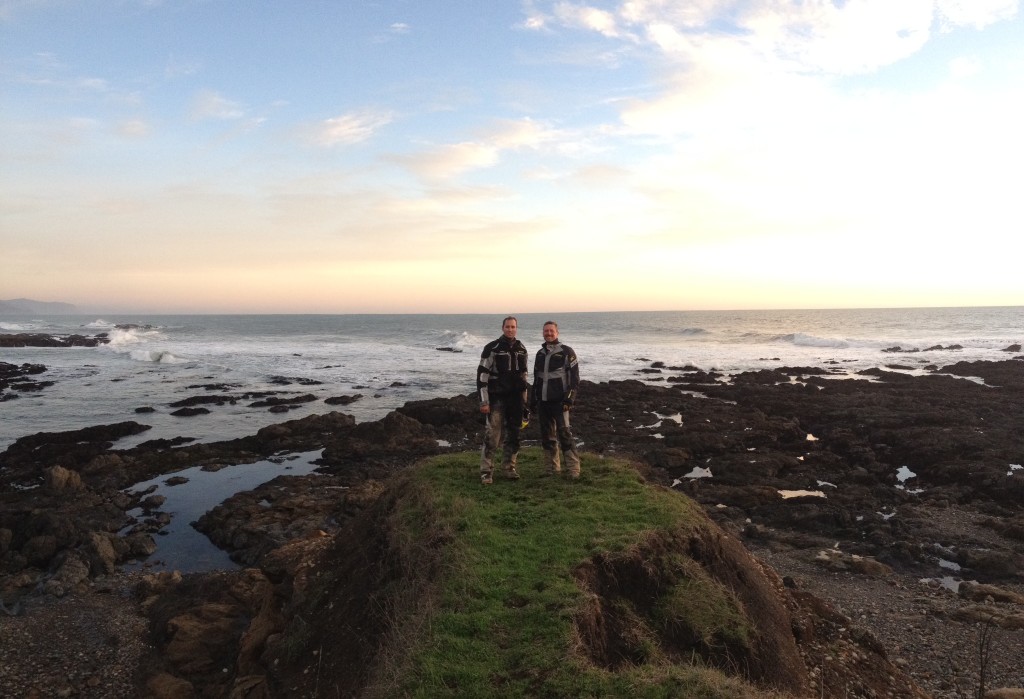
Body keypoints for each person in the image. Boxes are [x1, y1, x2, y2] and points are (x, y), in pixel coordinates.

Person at [477, 316, 530, 484]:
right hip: (496, 398)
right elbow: (481, 376)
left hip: (515, 399)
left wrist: (525, 402)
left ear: (517, 328)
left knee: (514, 435)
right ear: (502, 328)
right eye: (507, 327)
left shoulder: (522, 349)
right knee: (492, 435)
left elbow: (524, 376)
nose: (510, 329)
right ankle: (486, 471)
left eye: (513, 327)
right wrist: (484, 402)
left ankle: (509, 467)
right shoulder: (492, 348)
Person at [530, 320, 581, 479]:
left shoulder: (567, 352)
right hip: (543, 403)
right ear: (543, 333)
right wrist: (533, 399)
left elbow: (574, 378)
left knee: (565, 434)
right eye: (546, 331)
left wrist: (569, 399)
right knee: (547, 436)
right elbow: (537, 379)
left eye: (551, 331)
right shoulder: (540, 353)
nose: (549, 333)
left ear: (557, 333)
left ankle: (573, 470)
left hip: (560, 403)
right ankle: (552, 468)